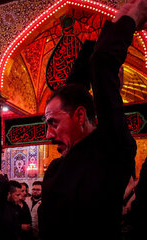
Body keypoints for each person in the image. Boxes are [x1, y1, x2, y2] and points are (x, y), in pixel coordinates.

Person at [40, 0, 146, 238]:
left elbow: (102, 64)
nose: (48, 134)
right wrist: (91, 47)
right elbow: (73, 90)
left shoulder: (109, 151)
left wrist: (129, 19)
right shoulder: (57, 168)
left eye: (53, 123)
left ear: (80, 116)